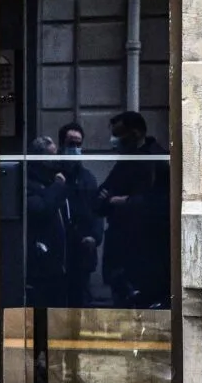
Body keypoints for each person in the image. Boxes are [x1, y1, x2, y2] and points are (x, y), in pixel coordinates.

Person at [95, 111, 170, 308]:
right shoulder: (127, 160)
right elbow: (100, 197)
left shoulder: (157, 160)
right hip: (123, 254)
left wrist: (127, 202)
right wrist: (113, 200)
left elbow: (161, 203)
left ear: (135, 133)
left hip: (147, 254)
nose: (113, 140)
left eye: (117, 134)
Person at [57, 121, 103, 307]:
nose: (75, 148)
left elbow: (96, 211)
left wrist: (95, 237)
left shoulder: (87, 178)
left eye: (78, 144)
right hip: (61, 250)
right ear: (62, 145)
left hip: (82, 250)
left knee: (79, 300)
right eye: (71, 144)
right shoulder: (55, 175)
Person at [24, 135, 68, 309]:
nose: (56, 160)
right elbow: (42, 208)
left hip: (57, 264)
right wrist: (57, 186)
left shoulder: (51, 181)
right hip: (41, 264)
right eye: (51, 156)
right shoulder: (30, 184)